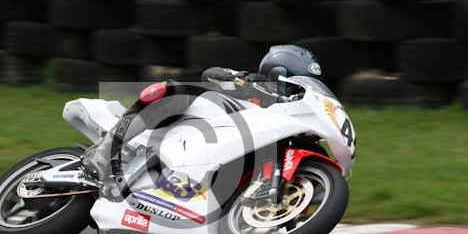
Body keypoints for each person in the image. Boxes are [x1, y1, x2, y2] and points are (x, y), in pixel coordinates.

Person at [82, 45, 323, 193]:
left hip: (218, 154)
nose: (296, 91)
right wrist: (244, 81)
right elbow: (211, 74)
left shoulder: (287, 115)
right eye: (294, 83)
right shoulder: (253, 85)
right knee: (173, 90)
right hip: (190, 126)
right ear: (279, 72)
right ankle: (104, 153)